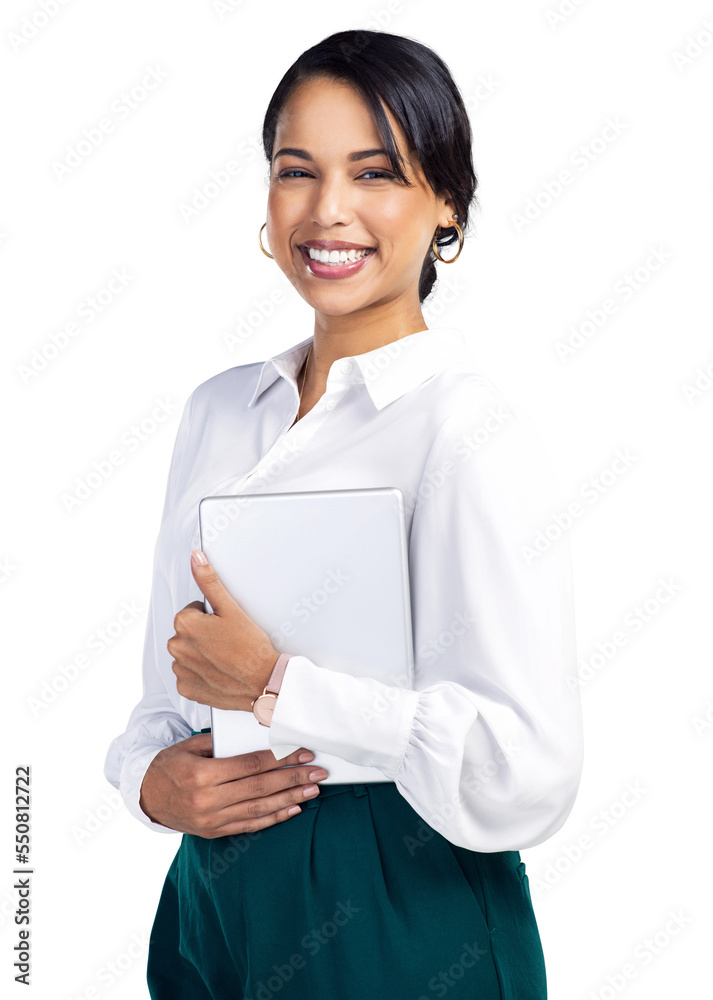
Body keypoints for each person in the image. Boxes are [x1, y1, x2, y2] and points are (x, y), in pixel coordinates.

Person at [104, 28, 584, 1000]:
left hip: (398, 906)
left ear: (444, 203)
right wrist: (150, 780)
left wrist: (280, 684)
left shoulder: (461, 429)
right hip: (212, 901)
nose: (328, 211)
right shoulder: (219, 412)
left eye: (375, 173)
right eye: (297, 171)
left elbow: (528, 768)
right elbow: (170, 694)